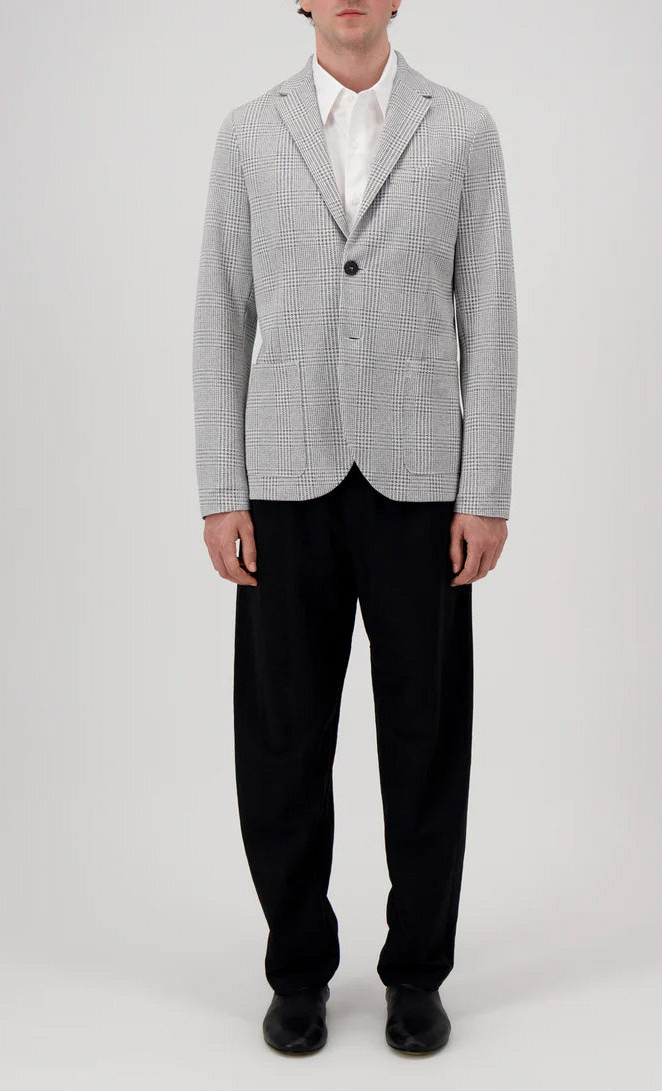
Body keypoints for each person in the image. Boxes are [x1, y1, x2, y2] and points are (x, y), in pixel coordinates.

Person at [191, 0, 518, 1055]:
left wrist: (484, 489)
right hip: (284, 479)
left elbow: (491, 315)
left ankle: (416, 972)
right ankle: (297, 970)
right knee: (282, 739)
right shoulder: (249, 134)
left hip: (420, 481)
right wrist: (221, 487)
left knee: (424, 736)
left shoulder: (460, 131)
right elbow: (219, 314)